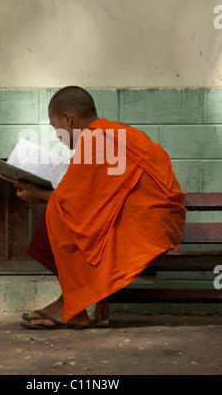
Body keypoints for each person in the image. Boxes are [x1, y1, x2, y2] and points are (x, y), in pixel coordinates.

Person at [16, 86, 187, 329]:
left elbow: (73, 203)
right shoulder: (123, 133)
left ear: (68, 118)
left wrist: (37, 194)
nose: (57, 135)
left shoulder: (94, 139)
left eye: (56, 127)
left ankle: (73, 307)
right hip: (162, 225)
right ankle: (68, 301)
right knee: (62, 213)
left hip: (144, 231)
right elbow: (89, 198)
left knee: (57, 215)